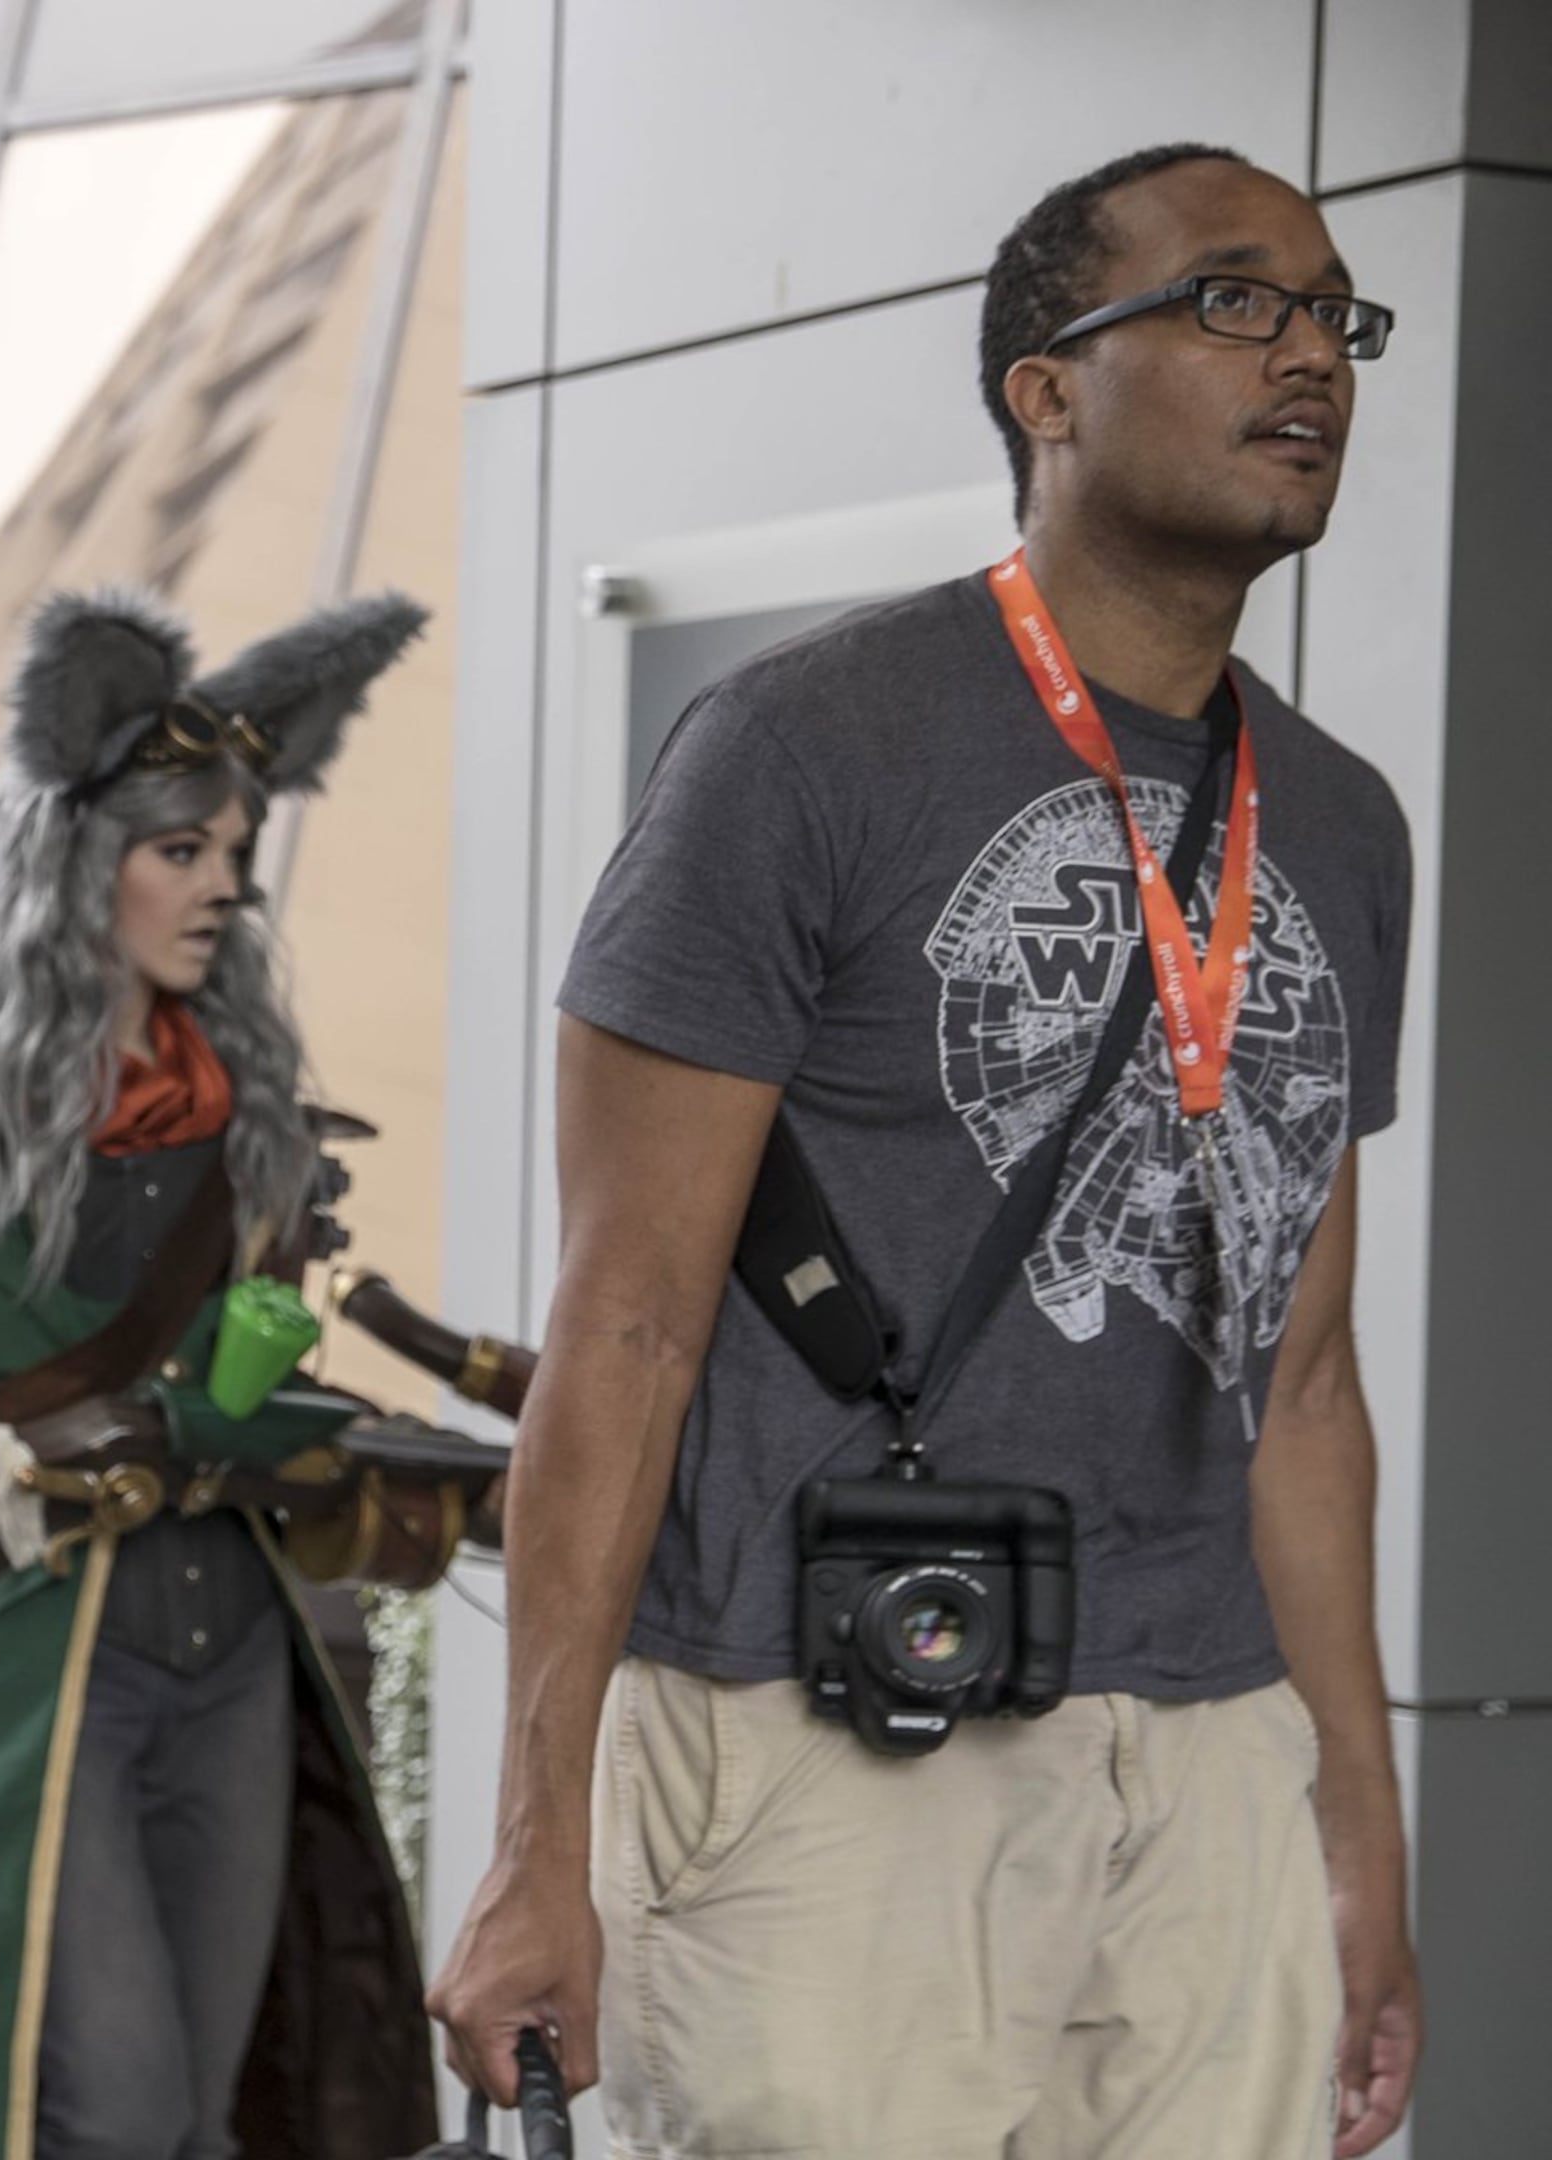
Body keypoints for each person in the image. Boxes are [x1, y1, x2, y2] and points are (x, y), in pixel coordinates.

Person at [427, 144, 1420, 2158]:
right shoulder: (800, 748)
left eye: (1334, 315)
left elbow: (1305, 1385)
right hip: (826, 1722)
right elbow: (619, 1328)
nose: (1308, 354)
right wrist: (534, 1847)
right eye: (1237, 300)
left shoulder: (1339, 821)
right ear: (1043, 388)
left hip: (1217, 1754)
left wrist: (1359, 1831)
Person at [0, 587, 440, 2160]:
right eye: (179, 850)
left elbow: (253, 1361)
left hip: (239, 1636)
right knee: (107, 2103)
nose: (217, 886)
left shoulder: (243, 1099)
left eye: (232, 856)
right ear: (73, 867)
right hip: (44, 1628)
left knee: (209, 2098)